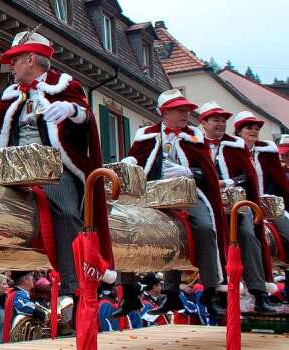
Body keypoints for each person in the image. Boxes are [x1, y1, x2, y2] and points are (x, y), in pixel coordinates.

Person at [0, 31, 115, 314]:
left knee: (67, 211)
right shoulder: (12, 94)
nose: (11, 66)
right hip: (10, 168)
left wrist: (72, 110)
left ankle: (73, 291)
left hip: (53, 168)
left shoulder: (65, 87)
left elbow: (87, 118)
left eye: (14, 60)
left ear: (31, 58)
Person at [123, 89, 225, 318]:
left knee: (205, 228)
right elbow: (136, 160)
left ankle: (210, 292)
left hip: (188, 194)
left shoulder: (195, 136)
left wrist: (189, 172)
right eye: (180, 110)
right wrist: (129, 160)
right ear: (164, 113)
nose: (186, 114)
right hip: (151, 194)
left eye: (187, 110)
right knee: (125, 225)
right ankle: (128, 293)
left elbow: (207, 172)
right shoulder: (145, 135)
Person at [197, 102, 273, 312]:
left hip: (236, 204)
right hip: (207, 203)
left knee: (248, 235)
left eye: (224, 121)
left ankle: (259, 292)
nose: (221, 124)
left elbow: (248, 176)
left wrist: (227, 183)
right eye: (216, 120)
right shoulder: (195, 143)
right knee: (207, 232)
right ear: (203, 122)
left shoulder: (235, 144)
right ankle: (212, 292)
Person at [234, 112, 289, 265]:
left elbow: (281, 183)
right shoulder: (230, 150)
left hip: (266, 205)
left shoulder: (266, 151)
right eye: (249, 128)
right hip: (240, 206)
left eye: (257, 128)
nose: (254, 131)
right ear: (239, 131)